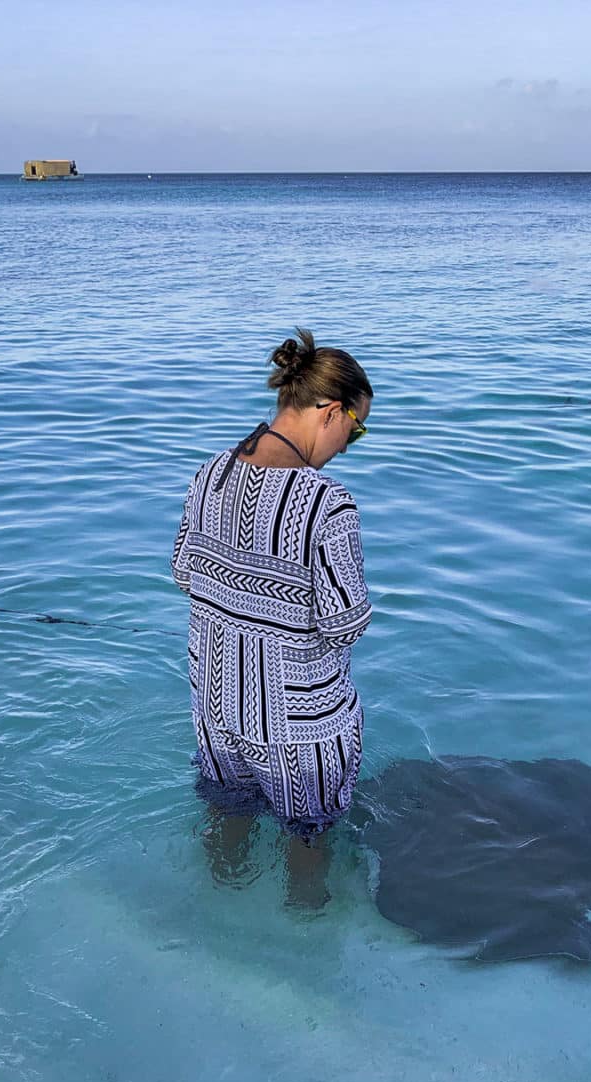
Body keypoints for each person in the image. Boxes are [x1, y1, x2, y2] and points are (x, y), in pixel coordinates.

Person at [171, 328, 373, 903]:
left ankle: (218, 930)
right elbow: (343, 624)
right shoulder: (327, 502)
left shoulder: (209, 473)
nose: (349, 445)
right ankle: (303, 961)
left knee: (226, 831)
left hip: (215, 707)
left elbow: (184, 573)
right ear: (331, 413)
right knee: (308, 853)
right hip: (298, 726)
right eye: (356, 431)